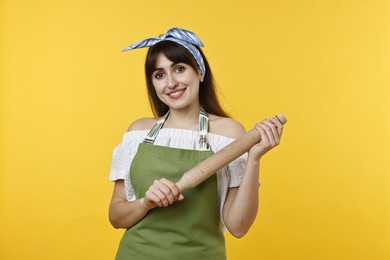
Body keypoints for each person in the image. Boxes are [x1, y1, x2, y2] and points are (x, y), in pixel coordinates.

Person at [108, 27, 283, 260]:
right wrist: (145, 202)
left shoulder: (229, 134)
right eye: (159, 75)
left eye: (179, 69)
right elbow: (116, 218)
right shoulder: (138, 133)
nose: (170, 83)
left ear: (200, 72)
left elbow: (238, 227)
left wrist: (254, 158)